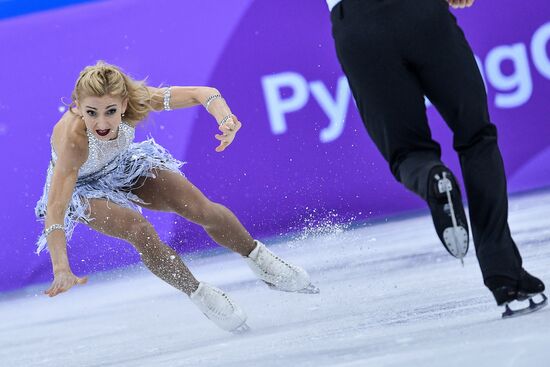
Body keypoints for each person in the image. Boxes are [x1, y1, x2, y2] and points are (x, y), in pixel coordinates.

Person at [35, 61, 319, 333]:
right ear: (77, 107)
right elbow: (55, 207)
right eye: (91, 112)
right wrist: (61, 267)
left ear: (124, 104)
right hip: (81, 189)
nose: (102, 123)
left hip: (122, 164)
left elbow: (203, 94)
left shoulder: (138, 99)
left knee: (199, 208)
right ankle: (200, 294)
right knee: (139, 229)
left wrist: (225, 118)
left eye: (110, 111)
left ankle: (261, 261)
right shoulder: (74, 139)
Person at [326, 0, 546, 317]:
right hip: (420, 12)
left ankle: (432, 179)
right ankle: (504, 274)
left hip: (358, 26)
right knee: (476, 137)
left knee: (408, 154)